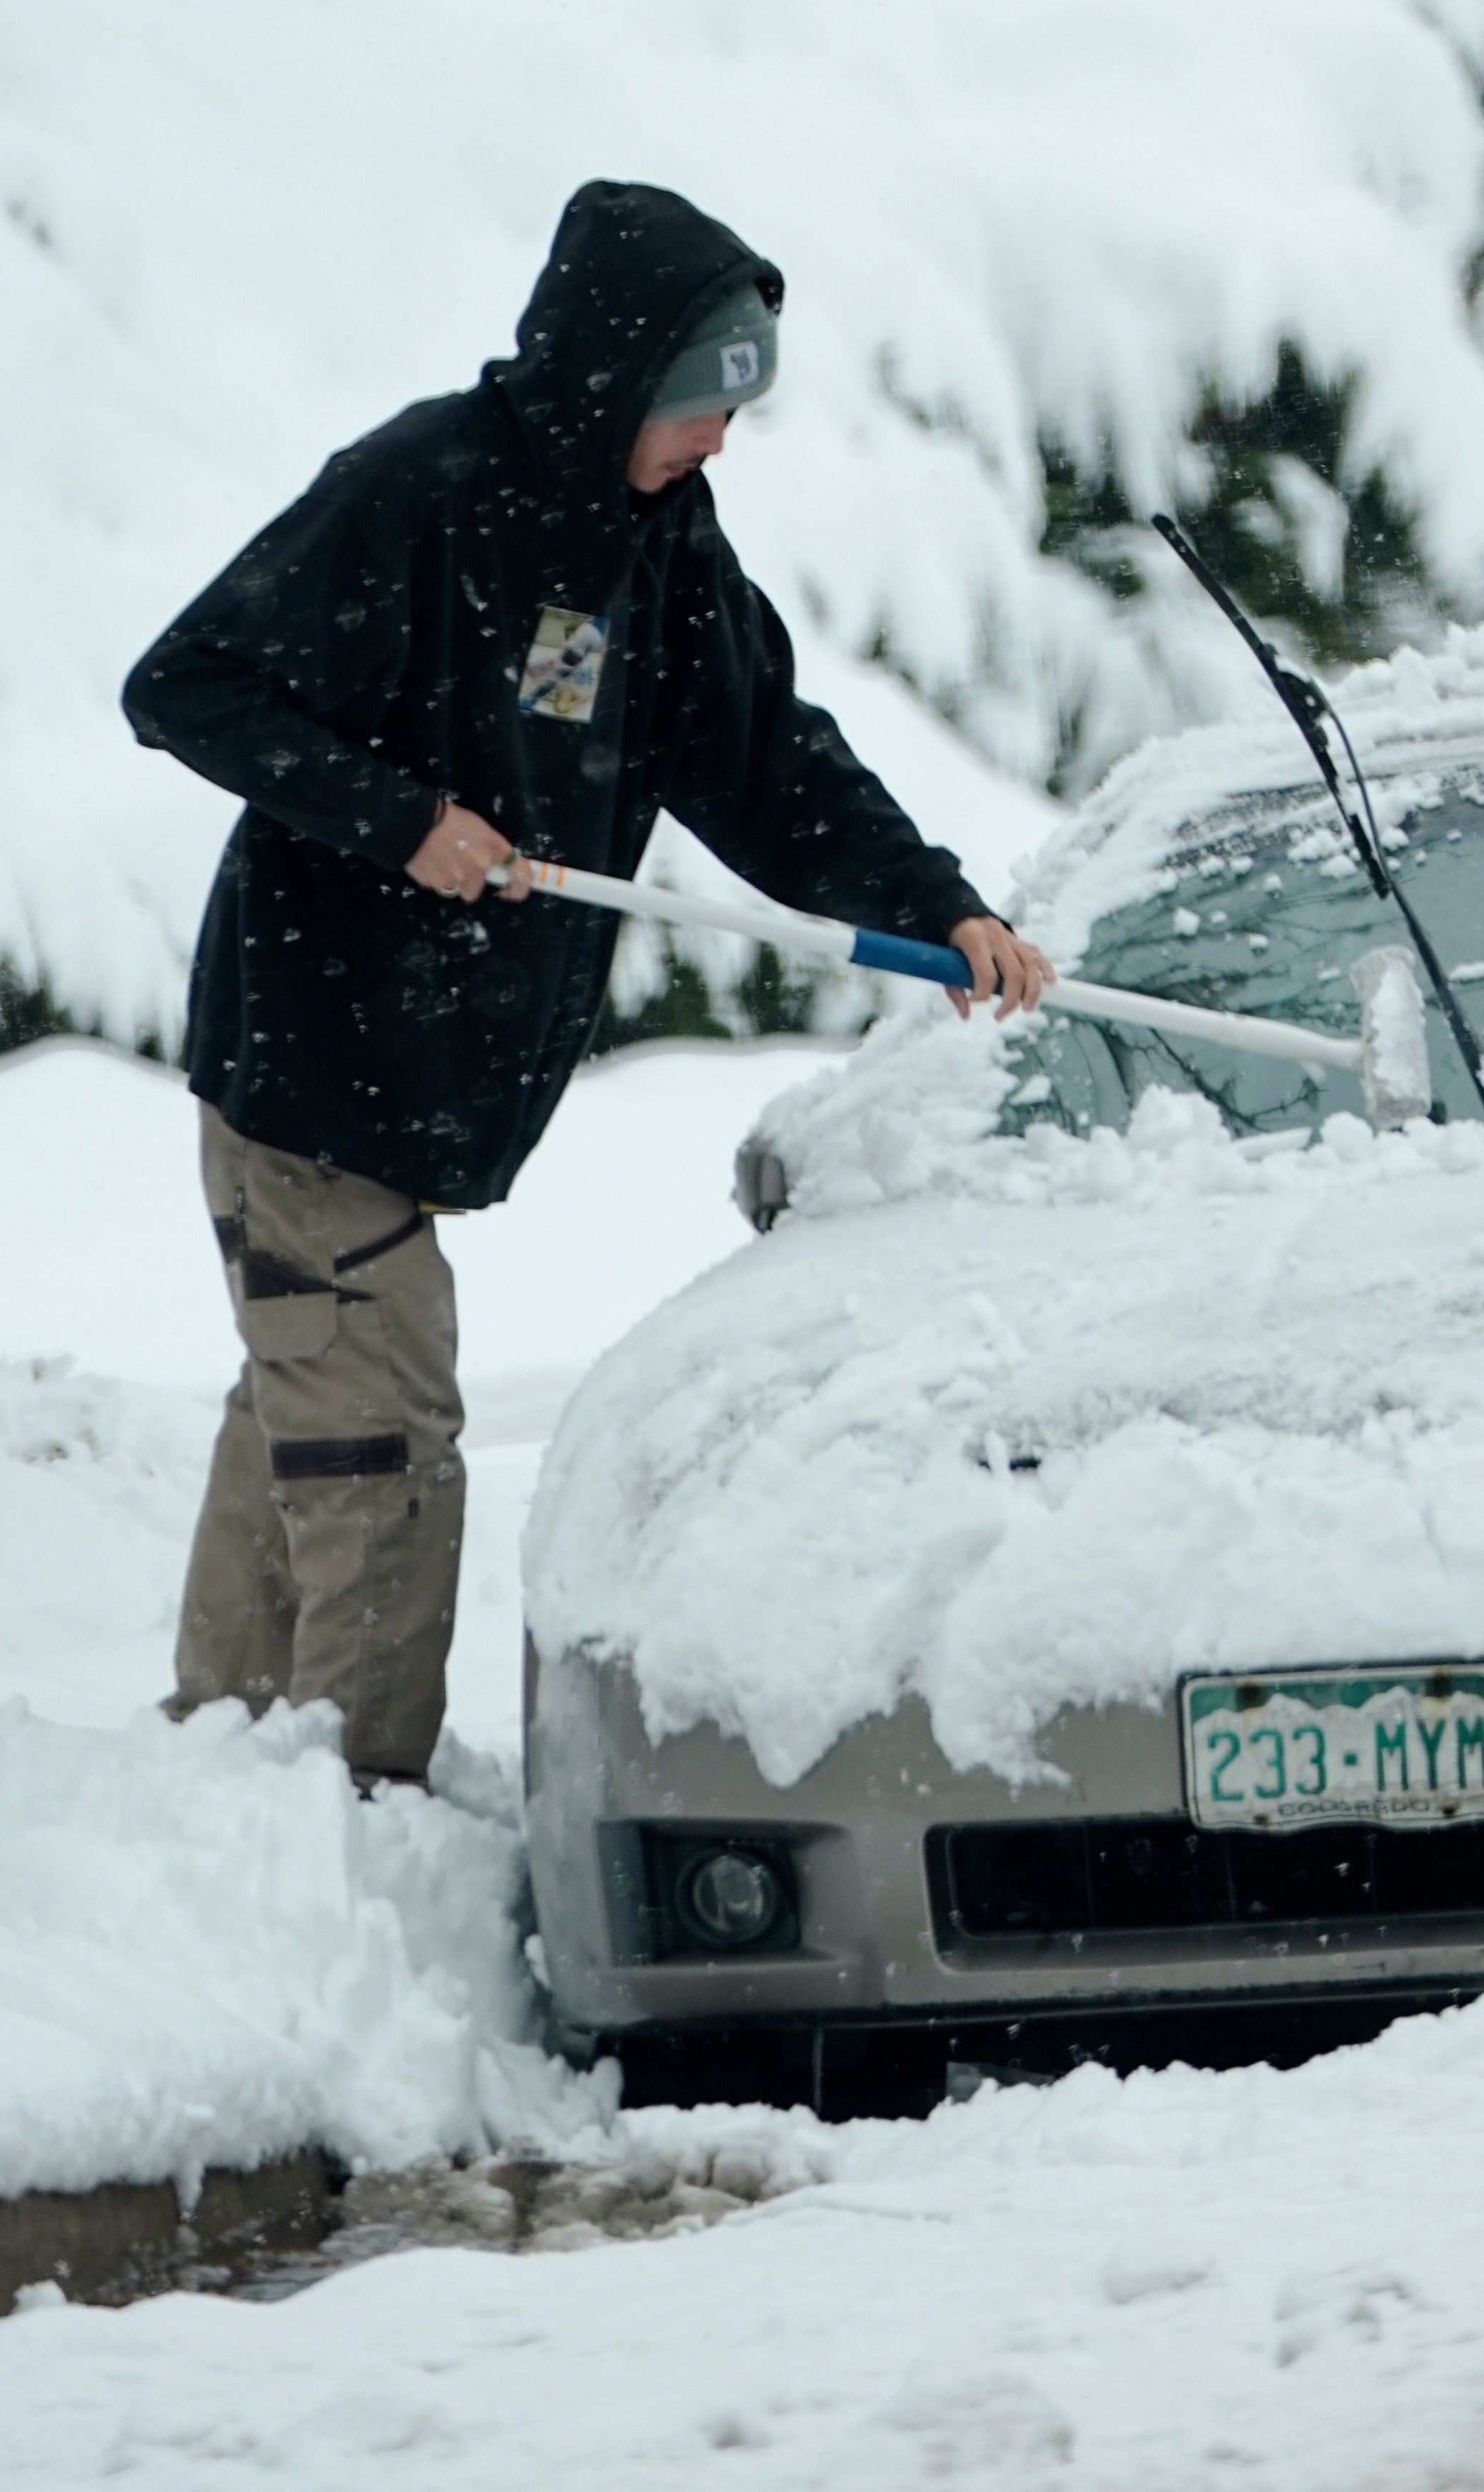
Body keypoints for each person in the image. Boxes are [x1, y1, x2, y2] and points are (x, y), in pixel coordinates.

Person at [121, 179, 1049, 1790]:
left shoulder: (658, 545)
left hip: (426, 1074)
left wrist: (936, 907)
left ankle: (231, 1765)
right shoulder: (419, 491)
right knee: (381, 1440)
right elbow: (186, 685)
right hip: (316, 1051)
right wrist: (402, 820)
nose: (713, 443)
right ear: (611, 375)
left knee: (311, 1393)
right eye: (695, 407)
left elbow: (768, 763)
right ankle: (349, 1799)